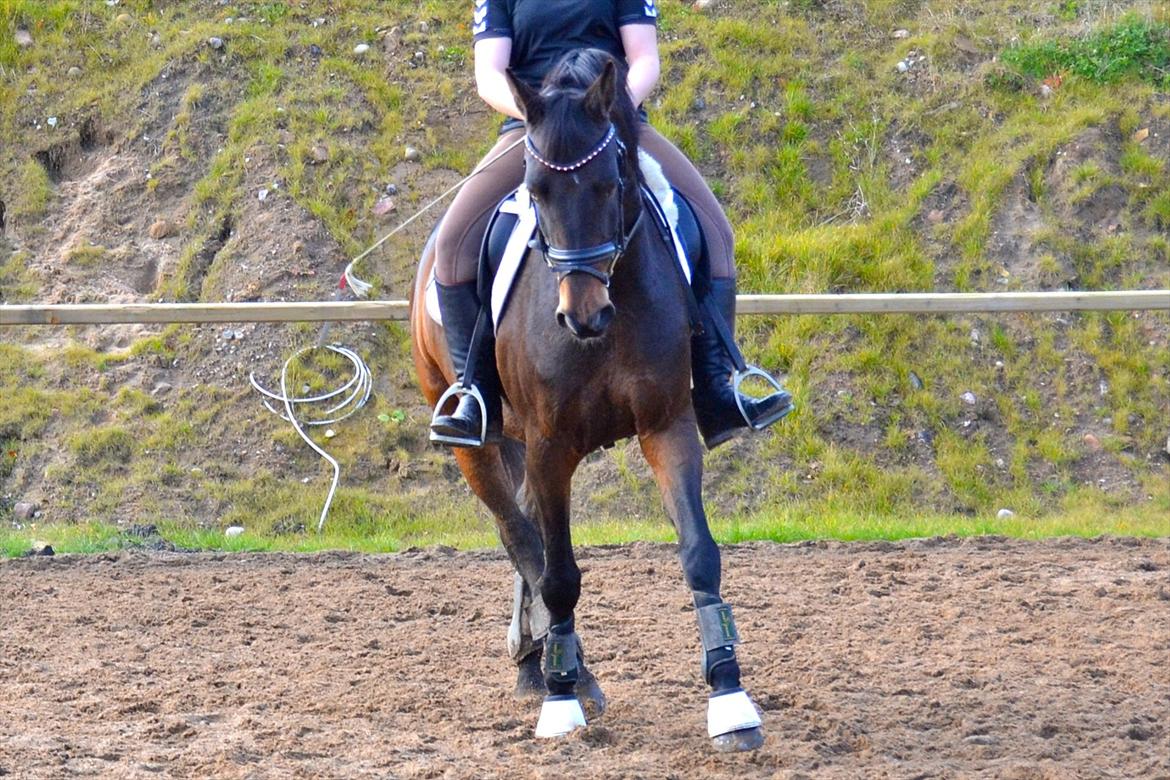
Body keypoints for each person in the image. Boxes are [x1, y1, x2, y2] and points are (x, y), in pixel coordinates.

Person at [429, 0, 792, 449]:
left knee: (716, 233)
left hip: (612, 123)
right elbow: (490, 75)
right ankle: (475, 396)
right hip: (536, 131)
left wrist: (606, 109)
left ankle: (718, 389)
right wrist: (546, 115)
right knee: (451, 245)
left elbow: (644, 59)